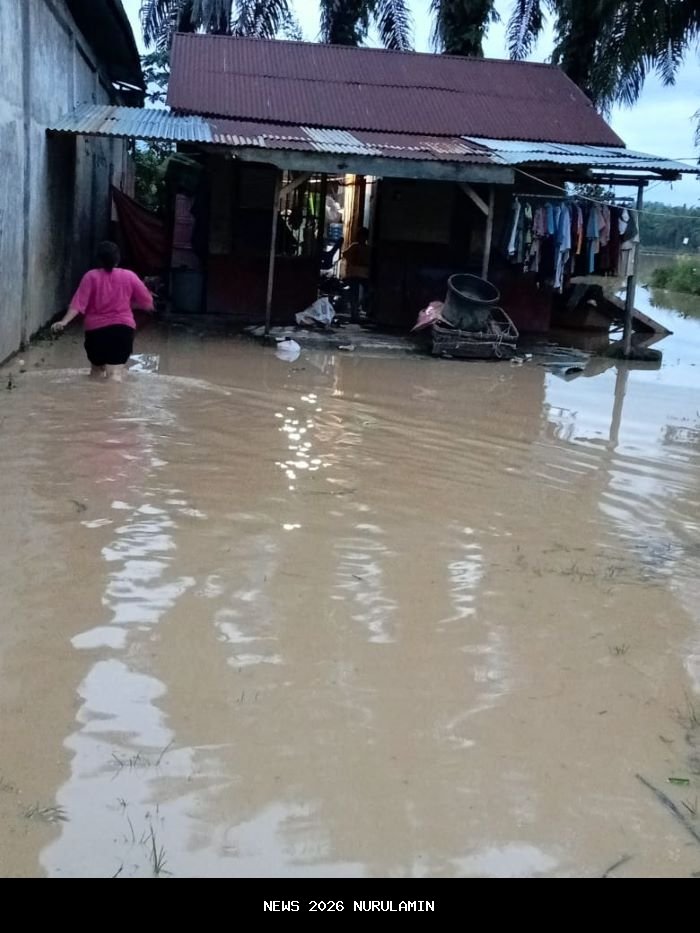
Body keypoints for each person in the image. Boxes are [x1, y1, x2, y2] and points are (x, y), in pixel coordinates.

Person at [52, 241, 154, 381]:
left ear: (99, 259)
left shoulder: (90, 277)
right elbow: (148, 303)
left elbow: (78, 304)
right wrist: (129, 304)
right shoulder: (129, 276)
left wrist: (64, 322)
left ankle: (92, 402)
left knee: (95, 372)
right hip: (122, 330)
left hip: (96, 332)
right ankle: (110, 402)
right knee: (115, 374)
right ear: (118, 259)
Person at [342, 227, 370, 322]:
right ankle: (356, 311)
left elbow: (345, 254)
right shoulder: (363, 248)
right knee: (358, 293)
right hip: (360, 273)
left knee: (356, 294)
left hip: (356, 273)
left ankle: (355, 311)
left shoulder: (356, 247)